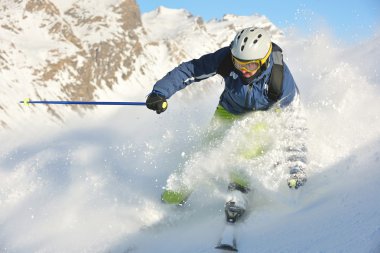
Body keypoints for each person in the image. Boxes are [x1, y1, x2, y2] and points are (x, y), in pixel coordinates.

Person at [145, 27, 307, 222]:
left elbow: (295, 123)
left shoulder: (279, 80)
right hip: (229, 109)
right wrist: (160, 92)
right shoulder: (227, 60)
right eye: (239, 63)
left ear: (263, 61)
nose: (243, 70)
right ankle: (175, 195)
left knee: (247, 144)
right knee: (205, 149)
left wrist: (297, 167)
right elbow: (192, 70)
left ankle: (239, 189)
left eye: (251, 66)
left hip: (264, 116)